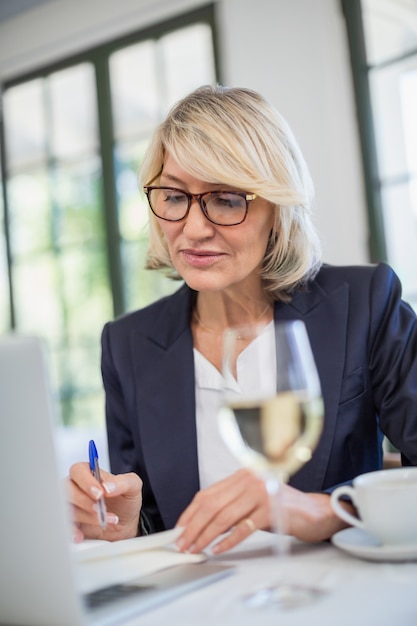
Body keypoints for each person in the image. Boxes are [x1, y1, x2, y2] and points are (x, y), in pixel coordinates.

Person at [68, 84, 417, 555]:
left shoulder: (363, 303)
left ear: (277, 207)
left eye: (227, 199)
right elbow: (162, 527)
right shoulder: (127, 344)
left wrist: (327, 513)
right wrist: (128, 528)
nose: (193, 229)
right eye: (173, 196)